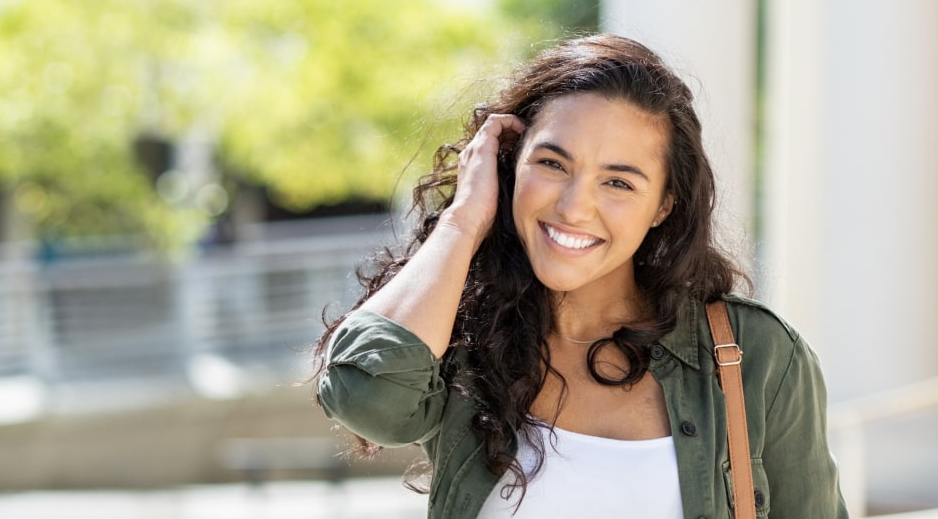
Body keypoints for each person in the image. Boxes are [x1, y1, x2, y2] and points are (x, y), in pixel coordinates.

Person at [313, 33, 848, 518]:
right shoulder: (463, 337)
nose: (573, 207)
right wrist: (464, 219)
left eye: (618, 183)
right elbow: (365, 397)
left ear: (663, 206)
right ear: (509, 164)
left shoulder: (757, 354)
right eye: (552, 164)